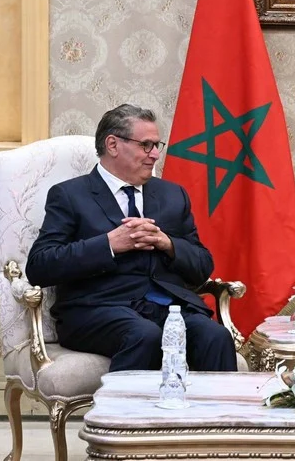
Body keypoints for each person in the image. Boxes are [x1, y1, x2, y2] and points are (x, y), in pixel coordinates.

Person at [26, 104, 237, 372]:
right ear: (113, 145)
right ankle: (120, 402)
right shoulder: (70, 195)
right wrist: (109, 244)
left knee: (215, 337)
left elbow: (202, 266)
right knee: (144, 336)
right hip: (98, 310)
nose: (155, 154)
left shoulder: (173, 195)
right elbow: (40, 266)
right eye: (146, 145)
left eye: (157, 145)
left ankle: (213, 403)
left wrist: (168, 244)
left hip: (168, 306)